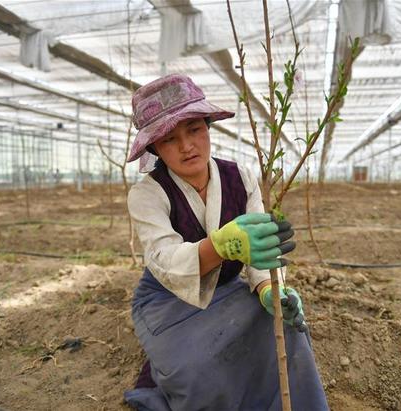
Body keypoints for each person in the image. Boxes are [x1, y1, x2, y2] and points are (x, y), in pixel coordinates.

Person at [123, 74, 327, 410]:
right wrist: (219, 246)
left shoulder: (239, 178)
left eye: (194, 130)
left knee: (286, 330)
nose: (187, 146)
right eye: (170, 139)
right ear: (155, 148)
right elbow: (164, 259)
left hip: (230, 289)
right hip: (167, 301)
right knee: (199, 370)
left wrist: (266, 289)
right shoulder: (148, 194)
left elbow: (259, 249)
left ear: (208, 127)